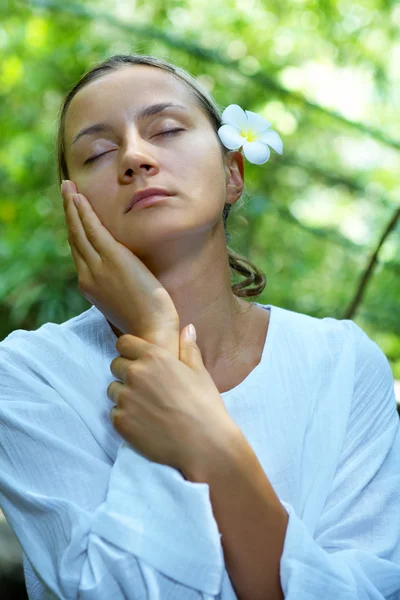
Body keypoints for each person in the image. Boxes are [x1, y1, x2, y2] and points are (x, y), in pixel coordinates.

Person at [0, 53, 399, 600]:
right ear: (75, 206)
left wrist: (209, 442)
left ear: (233, 172)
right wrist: (154, 335)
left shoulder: (342, 362)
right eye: (98, 151)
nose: (136, 157)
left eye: (165, 129)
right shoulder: (26, 375)